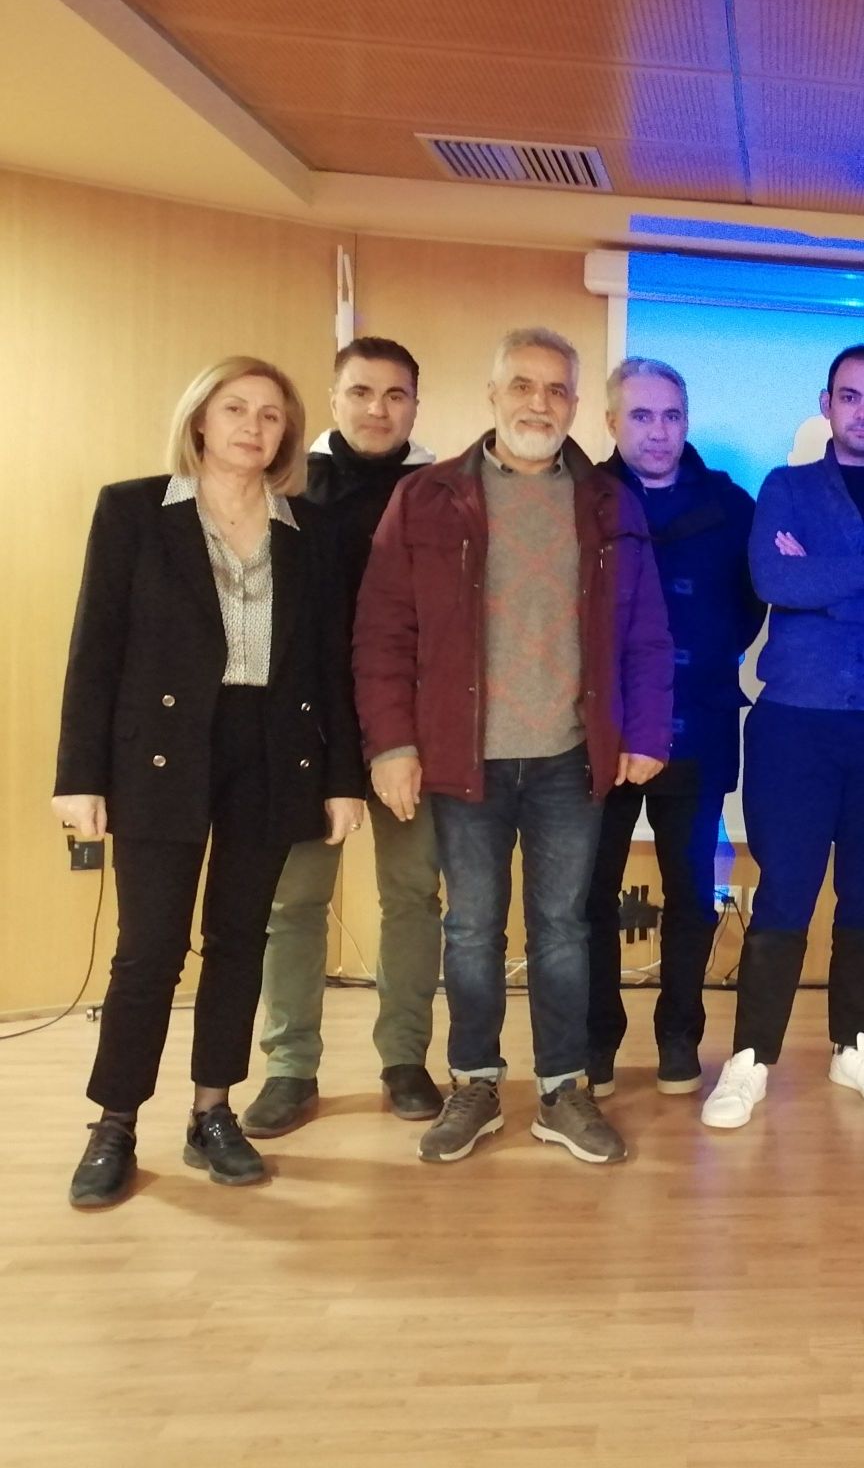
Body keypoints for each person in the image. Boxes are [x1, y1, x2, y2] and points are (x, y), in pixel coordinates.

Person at [354, 327, 672, 1166]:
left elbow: (645, 632)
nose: (540, 403)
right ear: (493, 395)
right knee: (471, 930)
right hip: (466, 758)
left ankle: (563, 1089)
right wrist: (391, 744)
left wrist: (647, 730)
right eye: (523, 386)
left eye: (557, 389)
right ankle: (476, 1084)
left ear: (576, 404)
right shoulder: (426, 499)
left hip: (570, 756)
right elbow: (383, 631)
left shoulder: (609, 503)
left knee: (563, 928)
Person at [56, 357, 365, 1208]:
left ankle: (212, 1112)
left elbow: (329, 665)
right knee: (148, 948)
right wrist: (79, 774)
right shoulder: (133, 510)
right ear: (200, 419)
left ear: (287, 433)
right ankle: (115, 1123)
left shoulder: (309, 530)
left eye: (270, 415)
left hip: (270, 748)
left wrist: (342, 779)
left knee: (240, 940)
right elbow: (95, 648)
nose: (253, 427)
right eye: (236, 409)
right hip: (159, 750)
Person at [699, 345, 864, 1129]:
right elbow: (775, 581)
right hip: (794, 724)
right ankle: (750, 1059)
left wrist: (825, 579)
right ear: (826, 403)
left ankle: (854, 1044)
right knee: (786, 890)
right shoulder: (786, 487)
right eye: (850, 396)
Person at [244, 337, 443, 1139]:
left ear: (415, 406)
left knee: (412, 896)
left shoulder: (440, 493)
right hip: (305, 725)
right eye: (361, 392)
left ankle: (405, 1059)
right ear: (333, 398)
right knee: (294, 901)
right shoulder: (287, 484)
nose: (378, 409)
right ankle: (290, 1067)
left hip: (408, 728)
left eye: (396, 395)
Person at [583, 358, 762, 1101]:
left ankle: (679, 1035)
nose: (659, 432)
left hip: (698, 723)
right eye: (641, 416)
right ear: (610, 422)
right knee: (589, 894)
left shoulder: (730, 505)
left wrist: (699, 653)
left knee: (692, 890)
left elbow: (748, 609)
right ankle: (596, 1038)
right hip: (599, 730)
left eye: (672, 416)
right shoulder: (581, 498)